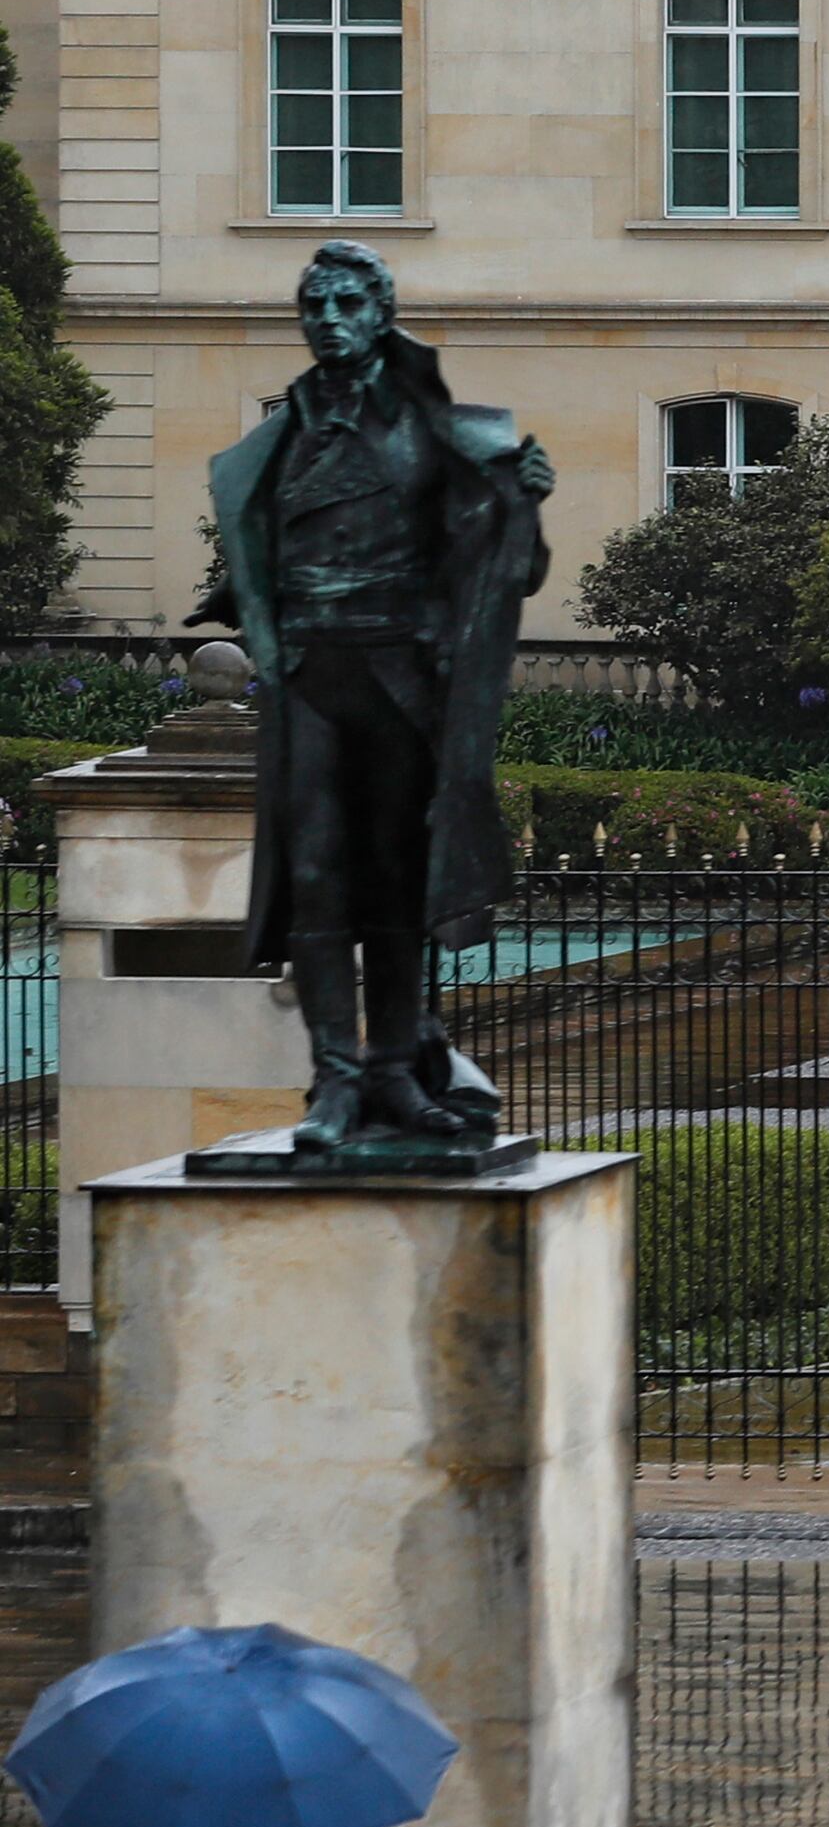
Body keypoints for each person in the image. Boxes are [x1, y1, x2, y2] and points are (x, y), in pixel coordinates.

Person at [191, 240, 554, 1153]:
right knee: (316, 879)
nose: (330, 321)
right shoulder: (275, 443)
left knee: (396, 882)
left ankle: (394, 1070)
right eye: (315, 306)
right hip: (310, 676)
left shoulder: (437, 431)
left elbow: (506, 566)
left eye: (349, 304)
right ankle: (335, 1084)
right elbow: (253, 566)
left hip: (399, 674)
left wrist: (524, 505)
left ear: (381, 315)